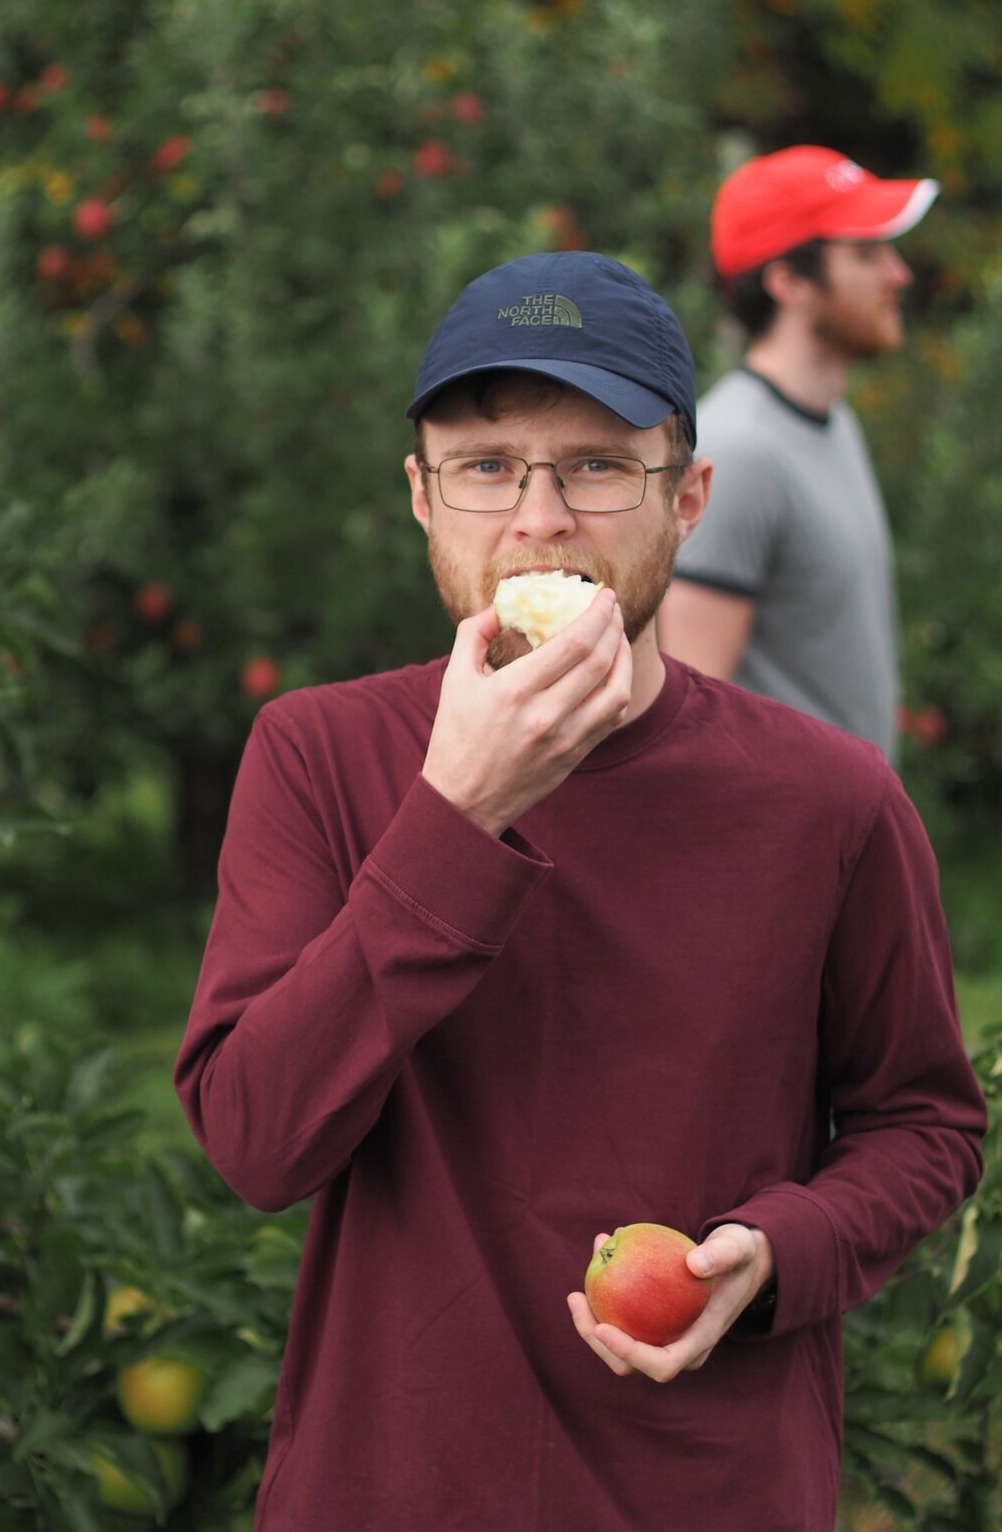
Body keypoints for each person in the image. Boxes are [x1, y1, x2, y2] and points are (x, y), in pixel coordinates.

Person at [174, 251, 984, 1532]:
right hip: (394, 1489)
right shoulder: (318, 757)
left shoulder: (831, 801)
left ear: (692, 496)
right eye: (487, 466)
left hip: (710, 1489)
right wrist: (457, 817)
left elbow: (926, 1124)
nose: (539, 518)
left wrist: (778, 1251)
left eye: (599, 465)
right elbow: (258, 1140)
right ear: (421, 499)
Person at [658, 145, 940, 762]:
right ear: (788, 281)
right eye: (867, 254)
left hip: (850, 841)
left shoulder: (833, 422)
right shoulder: (739, 454)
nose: (899, 275)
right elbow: (692, 721)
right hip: (789, 849)